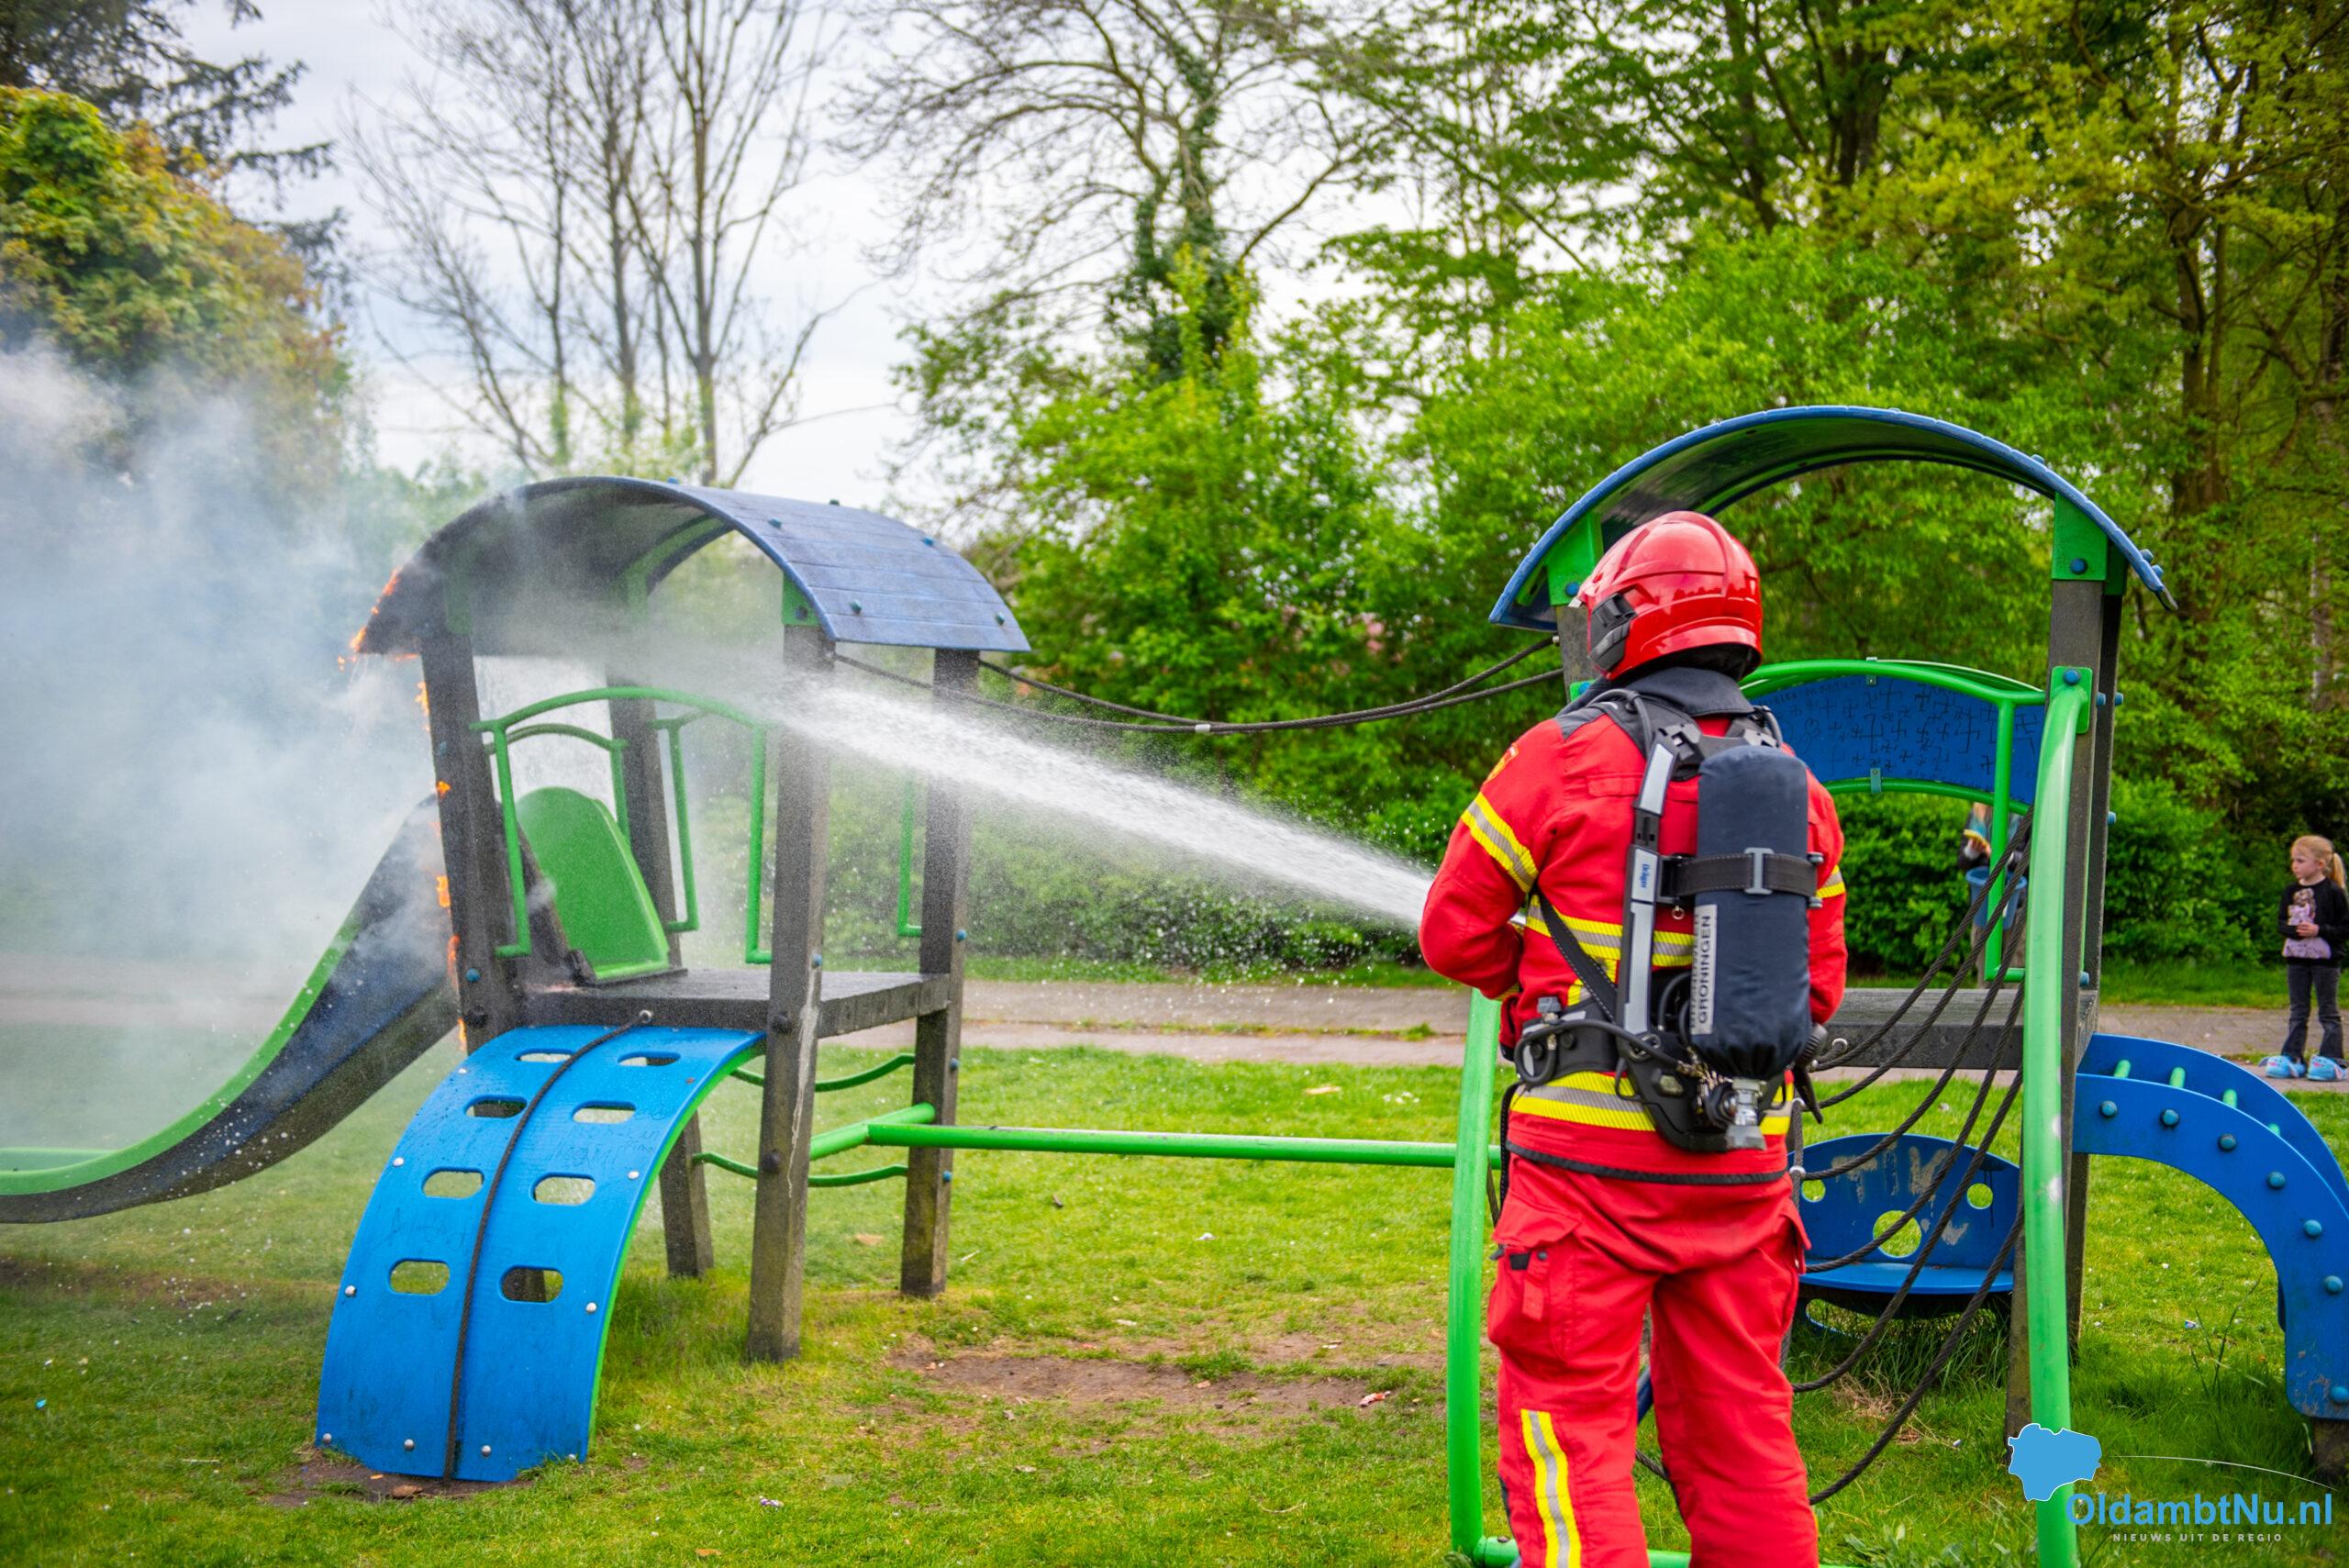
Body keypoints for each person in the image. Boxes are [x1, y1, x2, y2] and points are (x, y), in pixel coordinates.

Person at [1419, 511, 1846, 1568]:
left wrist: (1534, 999)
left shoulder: (1556, 756)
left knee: (1569, 1441)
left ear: (1623, 623)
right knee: (1745, 1443)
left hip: (1585, 1178)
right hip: (1744, 1172)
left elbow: (1453, 930)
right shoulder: (1802, 792)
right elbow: (1817, 991)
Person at [2268, 834, 2349, 1079]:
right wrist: (2295, 931)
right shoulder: (2290, 891)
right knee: (2298, 1010)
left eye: (2300, 860)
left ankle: (2332, 1058)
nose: (2295, 865)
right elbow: (2281, 923)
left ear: (2320, 864)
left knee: (2328, 1011)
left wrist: (2319, 930)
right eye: (2293, 860)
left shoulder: (2334, 892)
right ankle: (2292, 1056)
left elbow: (2345, 928)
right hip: (2296, 961)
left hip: (2326, 963)